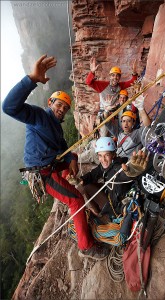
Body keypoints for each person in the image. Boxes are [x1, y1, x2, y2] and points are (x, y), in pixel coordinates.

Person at [2, 54, 109, 260]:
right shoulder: (38, 116)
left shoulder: (57, 130)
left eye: (65, 108)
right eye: (58, 105)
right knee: (76, 200)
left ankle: (70, 181)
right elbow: (9, 107)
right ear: (50, 103)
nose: (62, 109)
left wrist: (72, 160)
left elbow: (65, 150)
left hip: (50, 164)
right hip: (42, 172)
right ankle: (86, 247)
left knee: (73, 156)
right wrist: (31, 79)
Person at [77, 137, 148, 219]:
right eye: (100, 155)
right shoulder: (106, 166)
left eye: (106, 155)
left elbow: (123, 175)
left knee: (87, 187)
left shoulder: (117, 168)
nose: (103, 159)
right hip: (111, 195)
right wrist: (81, 179)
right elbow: (93, 174)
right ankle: (99, 212)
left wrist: (131, 172)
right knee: (87, 183)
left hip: (116, 208)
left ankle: (103, 216)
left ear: (113, 154)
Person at [86, 57, 138, 136]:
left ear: (119, 78)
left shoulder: (120, 86)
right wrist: (92, 72)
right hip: (104, 112)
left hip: (114, 112)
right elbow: (89, 82)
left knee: (116, 132)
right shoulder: (103, 85)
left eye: (117, 76)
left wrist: (134, 73)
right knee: (104, 133)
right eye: (113, 75)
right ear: (110, 76)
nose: (115, 77)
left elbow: (132, 82)